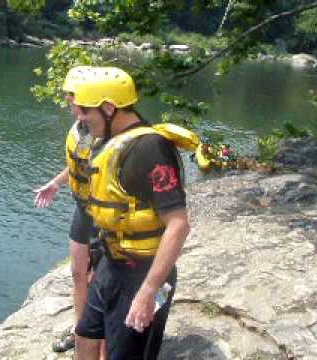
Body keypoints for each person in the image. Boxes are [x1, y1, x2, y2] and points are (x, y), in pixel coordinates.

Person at [71, 66, 191, 360]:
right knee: (85, 335)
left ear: (109, 107)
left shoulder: (150, 148)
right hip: (111, 267)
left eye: (85, 110)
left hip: (142, 275)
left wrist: (148, 292)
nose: (79, 117)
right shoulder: (108, 142)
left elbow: (178, 225)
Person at [34, 66, 100, 354]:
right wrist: (57, 182)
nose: (69, 105)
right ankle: (79, 328)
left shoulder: (105, 131)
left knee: (100, 280)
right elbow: (78, 163)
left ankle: (101, 338)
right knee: (77, 273)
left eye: (71, 99)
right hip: (82, 209)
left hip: (105, 214)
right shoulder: (81, 126)